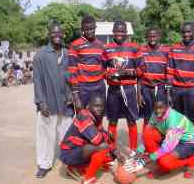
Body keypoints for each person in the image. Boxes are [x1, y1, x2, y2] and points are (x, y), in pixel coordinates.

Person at [33, 20, 73, 178]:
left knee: (67, 135)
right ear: (49, 35)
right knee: (46, 136)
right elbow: (37, 81)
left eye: (59, 33)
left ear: (63, 35)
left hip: (66, 103)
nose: (57, 35)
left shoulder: (68, 54)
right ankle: (44, 164)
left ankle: (68, 162)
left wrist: (71, 94)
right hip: (48, 102)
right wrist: (40, 102)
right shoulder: (40, 56)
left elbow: (73, 77)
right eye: (53, 33)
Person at [124, 97, 194, 179]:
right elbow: (147, 133)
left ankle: (191, 160)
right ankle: (161, 166)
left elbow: (167, 147)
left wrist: (143, 161)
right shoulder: (155, 114)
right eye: (156, 108)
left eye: (161, 108)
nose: (158, 111)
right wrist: (138, 153)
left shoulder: (173, 120)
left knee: (165, 162)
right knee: (147, 134)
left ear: (167, 107)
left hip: (188, 143)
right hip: (169, 138)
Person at [60, 94, 123, 184]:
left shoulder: (94, 117)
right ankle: (88, 179)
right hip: (69, 154)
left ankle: (75, 168)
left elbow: (102, 135)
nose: (99, 109)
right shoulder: (84, 116)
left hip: (77, 150)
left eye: (101, 106)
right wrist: (107, 136)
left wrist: (115, 151)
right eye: (96, 106)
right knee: (103, 147)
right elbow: (97, 139)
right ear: (88, 106)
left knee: (109, 156)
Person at [103, 20, 142, 152]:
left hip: (129, 89)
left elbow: (141, 70)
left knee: (131, 121)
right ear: (113, 32)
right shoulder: (107, 48)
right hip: (113, 90)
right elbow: (102, 69)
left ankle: (133, 150)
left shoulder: (134, 47)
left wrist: (126, 72)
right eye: (117, 31)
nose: (119, 33)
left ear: (126, 32)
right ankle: (111, 151)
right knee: (112, 121)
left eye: (122, 31)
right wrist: (109, 74)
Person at [167, 22, 194, 126]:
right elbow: (170, 72)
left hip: (192, 92)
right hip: (176, 91)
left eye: (189, 31)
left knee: (190, 122)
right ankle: (178, 142)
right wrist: (168, 94)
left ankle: (190, 142)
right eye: (184, 32)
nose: (186, 34)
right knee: (176, 122)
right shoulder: (174, 48)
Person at [67, 15, 105, 111]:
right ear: (82, 29)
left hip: (99, 86)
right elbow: (72, 71)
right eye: (86, 29)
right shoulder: (75, 45)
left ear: (95, 28)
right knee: (82, 118)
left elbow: (103, 67)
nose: (89, 31)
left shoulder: (101, 45)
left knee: (98, 117)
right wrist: (75, 96)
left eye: (91, 28)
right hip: (83, 87)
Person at [138, 28, 169, 133]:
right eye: (149, 37)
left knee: (161, 116)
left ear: (159, 37)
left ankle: (160, 142)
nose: (152, 39)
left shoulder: (166, 51)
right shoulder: (142, 50)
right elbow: (139, 74)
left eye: (154, 36)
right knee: (147, 117)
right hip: (146, 88)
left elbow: (169, 72)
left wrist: (168, 93)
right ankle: (146, 142)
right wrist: (139, 94)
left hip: (161, 89)